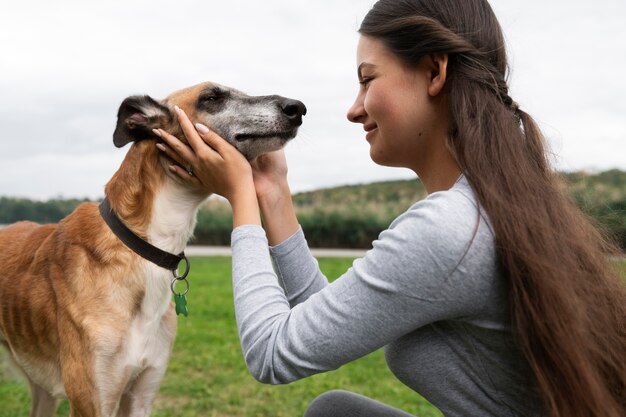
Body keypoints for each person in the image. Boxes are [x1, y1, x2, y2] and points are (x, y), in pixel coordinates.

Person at [155, 0, 626, 416]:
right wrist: (271, 192)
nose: (354, 109)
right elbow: (323, 318)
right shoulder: (493, 205)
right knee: (336, 411)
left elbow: (272, 353)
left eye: (368, 80)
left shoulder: (448, 230)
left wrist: (241, 202)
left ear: (435, 73)